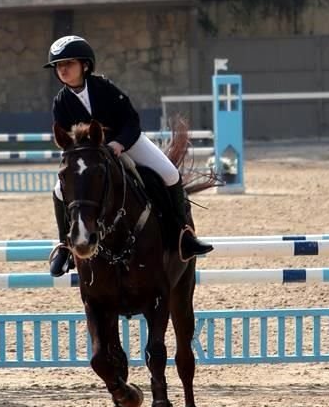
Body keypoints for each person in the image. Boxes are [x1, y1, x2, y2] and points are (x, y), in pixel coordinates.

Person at [45, 34, 213, 276]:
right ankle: (65, 246)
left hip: (126, 142)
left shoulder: (104, 87)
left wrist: (118, 144)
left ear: (84, 65)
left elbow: (132, 121)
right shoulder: (60, 102)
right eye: (58, 66)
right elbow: (68, 140)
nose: (62, 69)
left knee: (169, 173)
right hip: (91, 156)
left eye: (68, 64)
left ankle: (183, 235)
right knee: (59, 190)